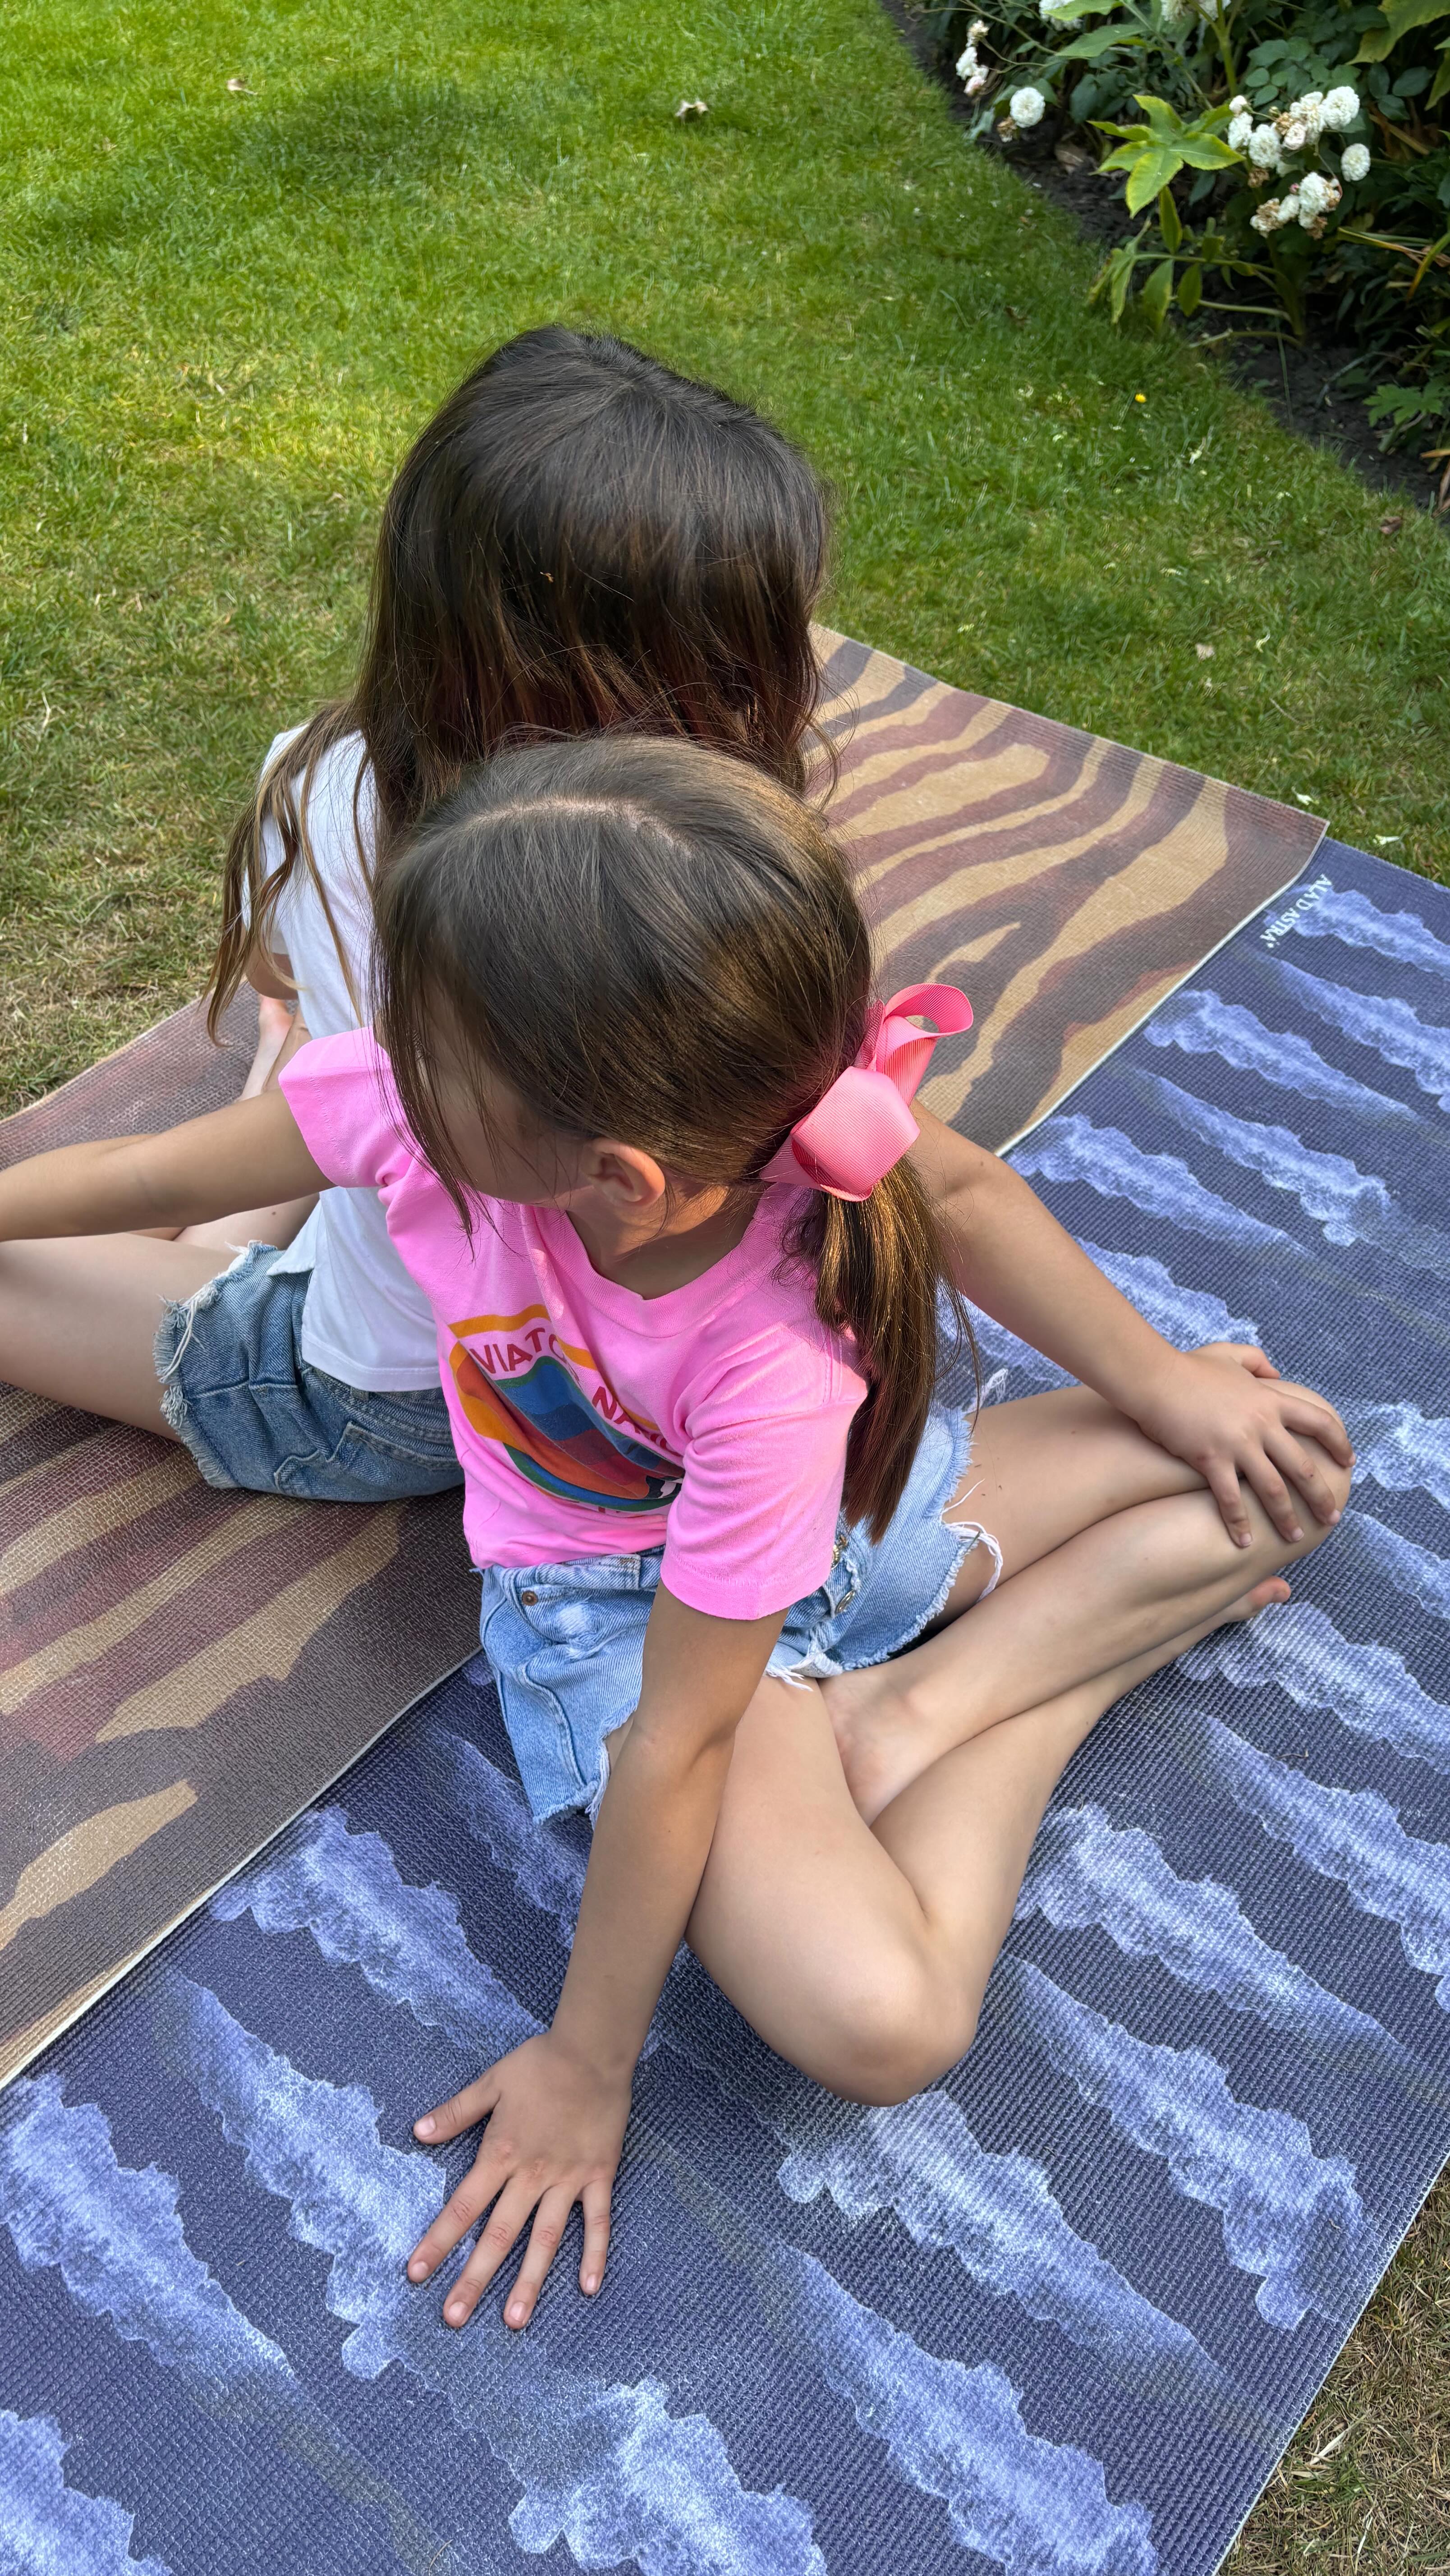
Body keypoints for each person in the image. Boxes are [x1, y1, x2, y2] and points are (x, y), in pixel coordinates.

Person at [0, 735, 1353, 2334]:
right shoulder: (430, 1106)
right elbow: (149, 1171)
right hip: (726, 1562)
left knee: (895, 2014)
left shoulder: (771, 1363)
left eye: (422, 1040)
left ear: (620, 1179)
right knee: (1253, 1479)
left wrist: (587, 2062)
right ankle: (957, 1688)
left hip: (730, 1586)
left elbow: (681, 1751)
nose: (385, 1058)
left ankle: (938, 1704)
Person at [60, 322, 834, 1501]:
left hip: (406, 1400)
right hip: (647, 1364)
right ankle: (239, 1232)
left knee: (307, 1056)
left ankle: (231, 1250)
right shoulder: (742, 869)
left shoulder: (325, 791)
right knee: (332, 1054)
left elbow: (274, 984)